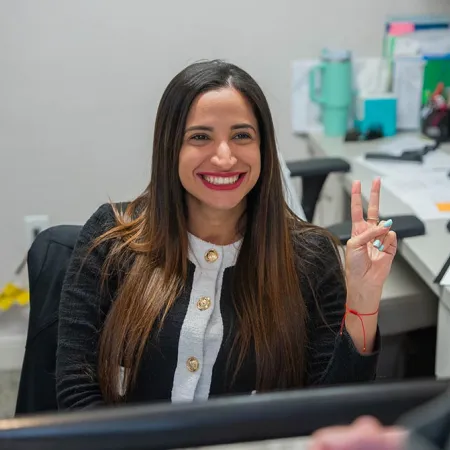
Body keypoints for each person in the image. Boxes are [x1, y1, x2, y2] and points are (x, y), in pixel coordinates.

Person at [56, 60, 397, 409]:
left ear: (263, 148)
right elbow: (76, 396)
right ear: (170, 147)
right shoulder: (113, 238)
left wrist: (363, 302)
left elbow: (331, 413)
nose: (224, 157)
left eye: (241, 136)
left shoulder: (310, 258)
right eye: (200, 137)